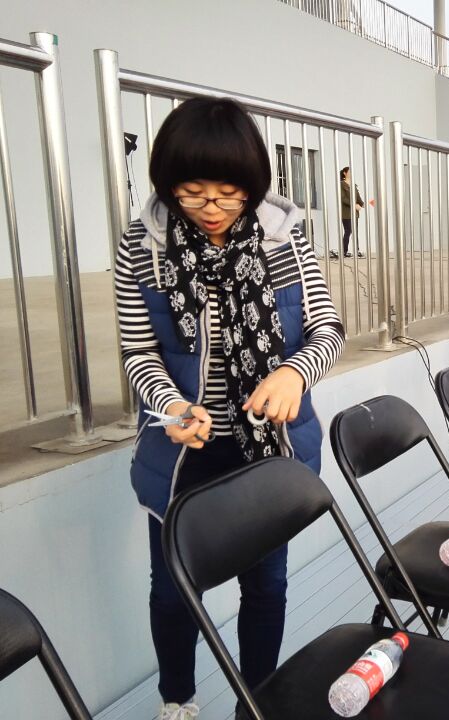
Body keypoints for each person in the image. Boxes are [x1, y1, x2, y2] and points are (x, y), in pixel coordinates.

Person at [113, 97, 345, 720]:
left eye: (227, 193)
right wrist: (170, 404)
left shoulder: (284, 239)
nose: (211, 208)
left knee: (266, 583)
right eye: (192, 193)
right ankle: (177, 701)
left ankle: (256, 701)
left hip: (268, 446)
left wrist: (294, 372)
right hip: (182, 451)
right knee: (173, 590)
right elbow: (138, 350)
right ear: (168, 184)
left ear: (252, 184)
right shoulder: (143, 245)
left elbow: (327, 330)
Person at [338, 166, 364, 258]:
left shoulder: (354, 185)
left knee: (355, 232)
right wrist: (354, 205)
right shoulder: (341, 184)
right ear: (345, 173)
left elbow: (358, 198)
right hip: (346, 214)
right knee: (348, 231)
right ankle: (344, 252)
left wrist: (363, 204)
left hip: (355, 214)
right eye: (349, 172)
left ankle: (356, 251)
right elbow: (343, 199)